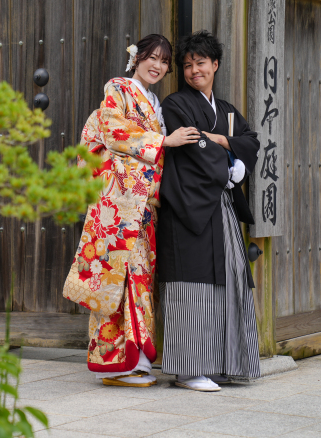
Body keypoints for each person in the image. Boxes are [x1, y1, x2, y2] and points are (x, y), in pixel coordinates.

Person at [64, 34, 200, 387]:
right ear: (136, 59)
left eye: (164, 61)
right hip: (119, 204)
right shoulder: (119, 88)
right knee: (117, 280)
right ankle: (116, 363)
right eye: (151, 58)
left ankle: (136, 359)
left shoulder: (154, 103)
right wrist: (162, 141)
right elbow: (112, 131)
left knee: (139, 280)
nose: (158, 66)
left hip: (143, 207)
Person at [157, 30, 261, 392]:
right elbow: (194, 146)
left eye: (200, 63)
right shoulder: (175, 105)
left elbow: (251, 141)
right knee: (193, 284)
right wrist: (228, 165)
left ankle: (219, 363)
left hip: (221, 207)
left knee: (228, 282)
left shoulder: (227, 111)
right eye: (187, 65)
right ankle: (187, 369)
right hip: (190, 206)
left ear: (214, 64)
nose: (193, 70)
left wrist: (225, 144)